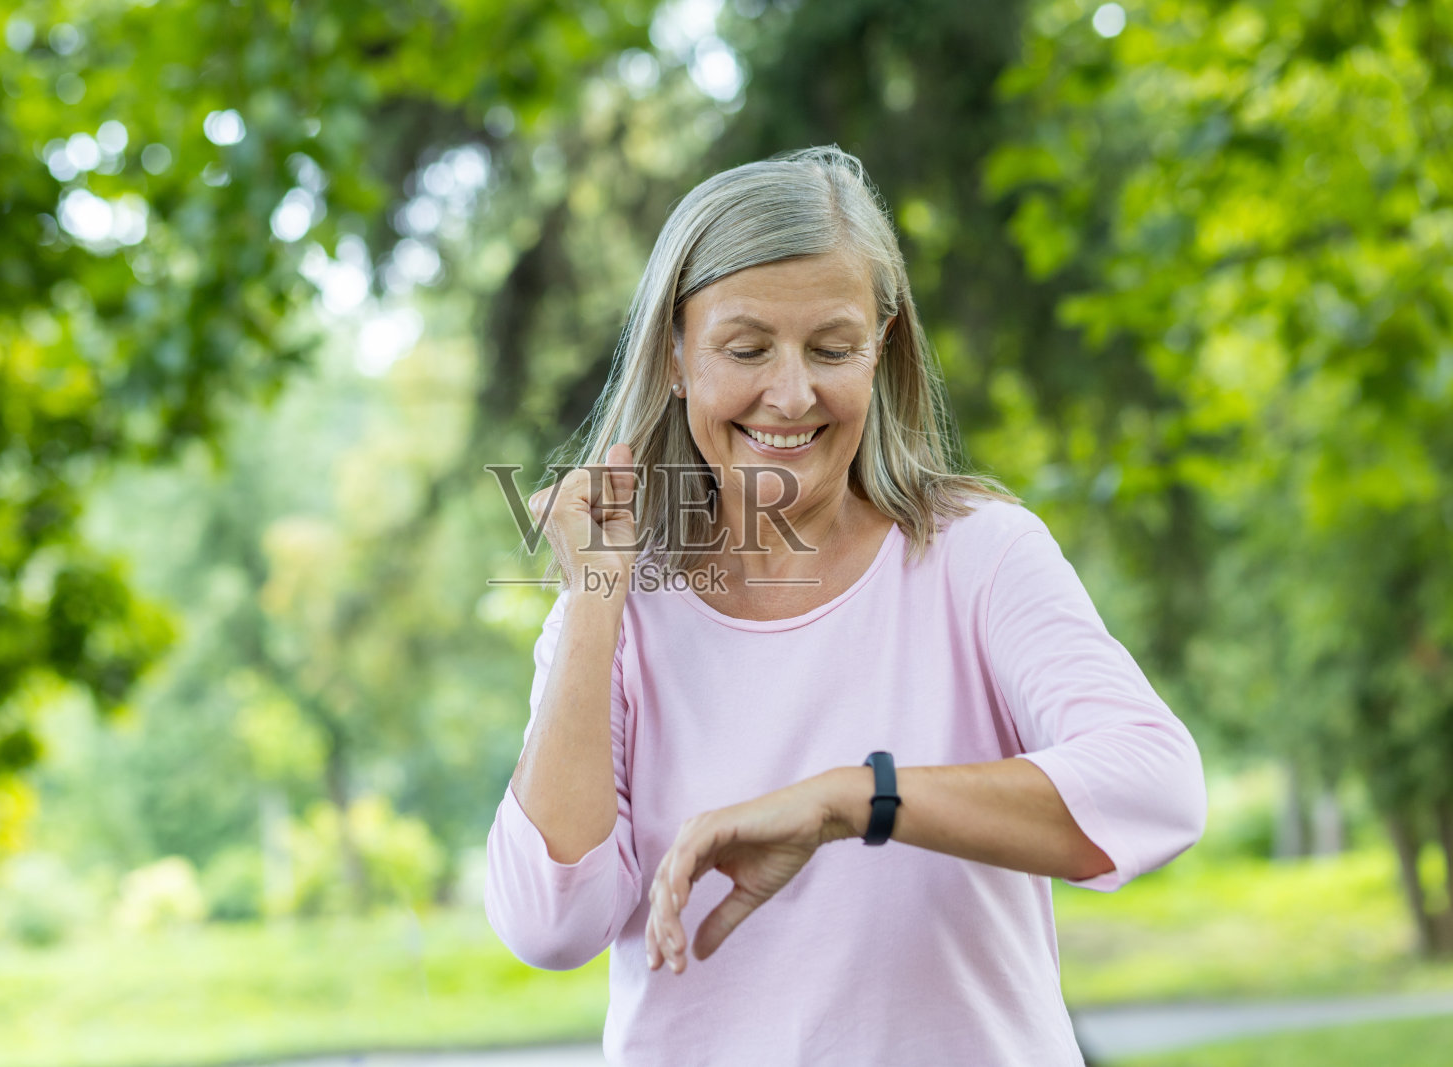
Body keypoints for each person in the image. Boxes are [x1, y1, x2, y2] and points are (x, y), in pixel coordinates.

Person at [483, 146, 1207, 1065]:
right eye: (746, 349)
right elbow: (551, 923)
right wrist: (594, 596)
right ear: (675, 355)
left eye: (832, 348)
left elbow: (1157, 787)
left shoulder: (975, 554)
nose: (792, 394)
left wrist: (852, 799)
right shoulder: (622, 607)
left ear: (883, 346)